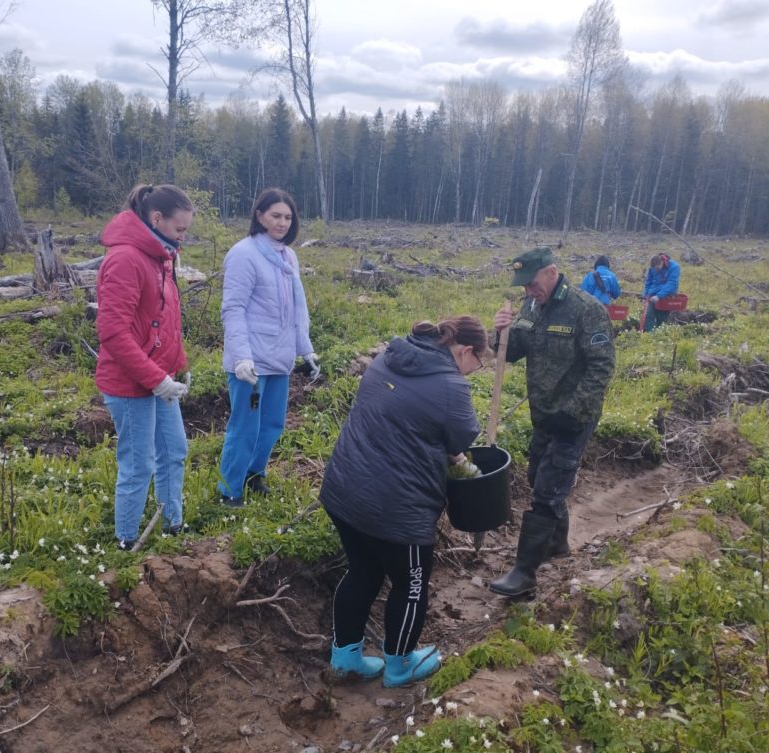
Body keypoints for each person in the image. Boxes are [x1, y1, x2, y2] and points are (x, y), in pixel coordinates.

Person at [320, 317, 489, 687]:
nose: (472, 373)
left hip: (344, 489)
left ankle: (345, 656)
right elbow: (460, 436)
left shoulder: (391, 355)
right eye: (476, 365)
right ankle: (400, 664)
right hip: (397, 508)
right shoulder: (451, 386)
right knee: (411, 584)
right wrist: (462, 464)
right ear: (465, 350)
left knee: (362, 570)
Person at [489, 247, 615, 598]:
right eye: (524, 287)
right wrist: (499, 332)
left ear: (551, 272)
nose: (528, 291)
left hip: (574, 417)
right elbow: (512, 350)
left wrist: (574, 411)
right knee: (536, 477)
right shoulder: (532, 306)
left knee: (546, 490)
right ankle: (557, 544)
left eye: (531, 284)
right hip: (544, 413)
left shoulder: (587, 310)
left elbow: (602, 367)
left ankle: (524, 574)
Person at [96, 184, 195, 550]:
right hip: (129, 384)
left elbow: (163, 320)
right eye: (180, 229)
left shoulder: (161, 256)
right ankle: (127, 541)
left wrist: (177, 365)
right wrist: (156, 379)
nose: (183, 237)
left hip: (159, 379)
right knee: (139, 465)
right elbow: (114, 333)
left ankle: (172, 527)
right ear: (157, 219)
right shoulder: (126, 259)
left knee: (175, 451)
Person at [219, 188, 318, 506]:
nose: (282, 223)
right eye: (275, 215)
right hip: (250, 361)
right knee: (245, 426)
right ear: (259, 215)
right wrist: (241, 357)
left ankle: (253, 475)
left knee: (272, 422)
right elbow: (233, 309)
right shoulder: (243, 254)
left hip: (280, 357)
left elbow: (297, 309)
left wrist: (306, 349)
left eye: (288, 217)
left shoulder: (288, 256)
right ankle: (229, 491)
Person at [641, 253, 681, 332]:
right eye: (654, 268)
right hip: (653, 294)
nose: (656, 270)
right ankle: (650, 335)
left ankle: (660, 335)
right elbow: (648, 282)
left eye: (657, 268)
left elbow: (672, 284)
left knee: (661, 317)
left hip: (667, 294)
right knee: (649, 314)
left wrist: (659, 296)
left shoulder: (674, 267)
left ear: (662, 263)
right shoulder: (652, 268)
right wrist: (645, 295)